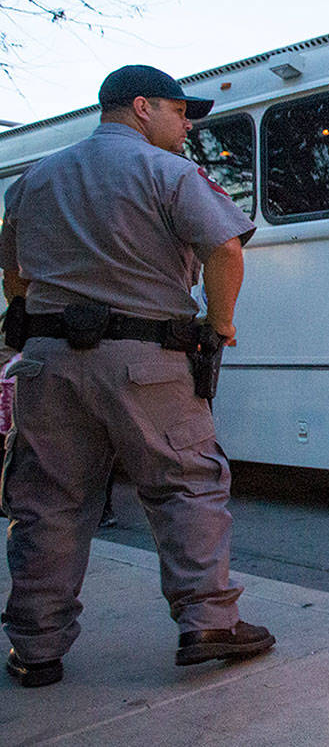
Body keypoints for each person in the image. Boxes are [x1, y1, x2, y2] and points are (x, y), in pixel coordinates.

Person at [0, 65, 274, 688]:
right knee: (183, 486)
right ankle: (208, 621)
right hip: (146, 359)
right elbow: (225, 248)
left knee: (47, 502)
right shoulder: (167, 173)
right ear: (142, 107)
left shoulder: (32, 179)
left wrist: (31, 308)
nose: (187, 128)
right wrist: (220, 323)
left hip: (47, 363)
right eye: (181, 113)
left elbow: (11, 265)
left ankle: (35, 646)